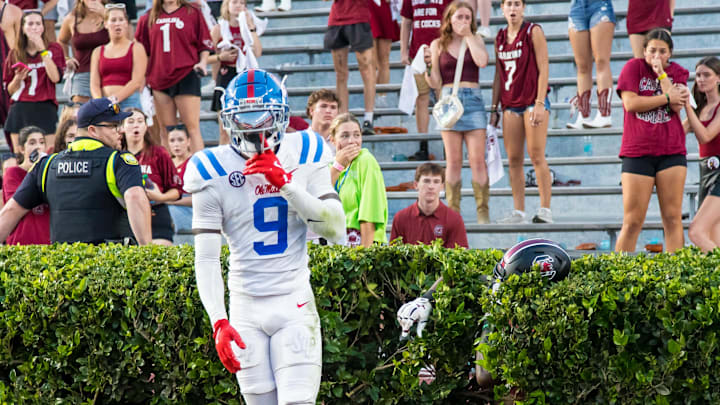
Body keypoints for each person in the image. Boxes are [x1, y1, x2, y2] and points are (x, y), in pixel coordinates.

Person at [187, 69, 345, 404]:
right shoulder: (211, 169)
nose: (254, 128)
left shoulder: (305, 149)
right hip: (244, 305)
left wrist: (286, 184)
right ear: (229, 121)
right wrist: (218, 320)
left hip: (293, 300)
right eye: (244, 119)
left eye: (262, 117)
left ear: (282, 117)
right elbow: (206, 256)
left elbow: (335, 229)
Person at [0, 97, 152, 245]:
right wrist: (147, 251)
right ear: (93, 130)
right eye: (113, 126)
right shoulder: (119, 161)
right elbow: (134, 196)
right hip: (108, 264)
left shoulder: (46, 165)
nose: (121, 131)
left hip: (62, 265)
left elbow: (11, 211)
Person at [614, 29, 688, 253]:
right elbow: (632, 104)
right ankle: (618, 276)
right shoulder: (633, 68)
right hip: (638, 151)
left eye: (662, 51)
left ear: (670, 53)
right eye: (652, 50)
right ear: (644, 50)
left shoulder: (678, 72)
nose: (657, 55)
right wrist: (665, 97)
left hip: (671, 150)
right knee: (633, 221)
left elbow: (677, 106)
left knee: (673, 218)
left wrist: (662, 75)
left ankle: (677, 275)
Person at [426, 1, 490, 223]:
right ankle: (453, 212)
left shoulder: (476, 39)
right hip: (448, 100)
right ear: (449, 20)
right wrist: (426, 67)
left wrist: (470, 36)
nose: (463, 21)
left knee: (477, 160)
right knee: (453, 161)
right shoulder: (438, 44)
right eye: (459, 17)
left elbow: (482, 61)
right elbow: (434, 81)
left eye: (467, 17)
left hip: (472, 99)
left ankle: (483, 211)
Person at [490, 0, 552, 224]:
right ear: (503, 8)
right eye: (509, 4)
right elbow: (498, 74)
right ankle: (519, 211)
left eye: (517, 4)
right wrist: (493, 107)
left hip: (531, 100)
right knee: (514, 158)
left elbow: (544, 66)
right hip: (509, 101)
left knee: (536, 154)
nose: (513, 8)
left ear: (524, 7)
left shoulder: (532, 31)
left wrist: (540, 101)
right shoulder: (499, 37)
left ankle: (545, 209)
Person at [135, 0, 212, 152]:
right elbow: (141, 50)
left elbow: (204, 43)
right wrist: (142, 76)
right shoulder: (148, 17)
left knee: (192, 128)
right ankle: (170, 172)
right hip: (159, 78)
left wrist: (203, 63)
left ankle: (199, 171)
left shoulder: (192, 12)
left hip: (186, 74)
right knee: (166, 130)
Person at [2, 10, 65, 153]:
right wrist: (18, 78)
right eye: (30, 24)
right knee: (20, 155)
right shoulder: (15, 53)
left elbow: (55, 78)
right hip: (20, 108)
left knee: (48, 154)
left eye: (38, 23)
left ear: (43, 27)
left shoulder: (54, 49)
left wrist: (42, 50)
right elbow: (10, 90)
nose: (34, 27)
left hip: (45, 106)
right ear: (23, 28)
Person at [121, 108, 180, 245]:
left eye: (140, 121)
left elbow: (176, 191)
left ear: (146, 126)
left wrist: (160, 197)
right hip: (126, 216)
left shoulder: (159, 153)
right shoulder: (116, 156)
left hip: (157, 214)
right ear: (122, 127)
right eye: (131, 121)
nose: (136, 125)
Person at [400, 0, 450, 160]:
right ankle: (423, 145)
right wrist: (403, 50)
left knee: (444, 97)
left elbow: (452, 20)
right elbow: (406, 21)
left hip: (442, 51)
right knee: (421, 99)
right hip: (418, 53)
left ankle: (448, 143)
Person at [328, 112, 387, 247]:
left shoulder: (366, 161)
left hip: (361, 242)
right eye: (344, 136)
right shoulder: (330, 166)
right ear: (333, 140)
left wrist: (364, 256)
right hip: (335, 242)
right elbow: (318, 199)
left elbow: (369, 212)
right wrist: (338, 166)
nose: (351, 141)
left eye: (356, 135)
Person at [209, 0, 261, 145]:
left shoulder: (246, 27)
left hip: (244, 76)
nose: (239, 5)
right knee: (225, 130)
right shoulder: (218, 28)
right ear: (227, 5)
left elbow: (258, 52)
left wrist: (251, 28)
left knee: (246, 128)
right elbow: (205, 57)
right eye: (235, 2)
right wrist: (221, 57)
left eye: (242, 3)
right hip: (226, 75)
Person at [323, 0, 376, 135]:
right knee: (340, 73)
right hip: (337, 18)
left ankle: (368, 118)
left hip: (359, 15)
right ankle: (343, 119)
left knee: (366, 68)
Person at [684, 57, 720, 252]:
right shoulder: (700, 108)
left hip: (719, 172)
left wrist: (687, 107)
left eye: (707, 75)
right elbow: (677, 133)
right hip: (706, 171)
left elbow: (705, 136)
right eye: (698, 75)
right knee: (713, 235)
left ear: (718, 79)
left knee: (696, 231)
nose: (701, 79)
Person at [390, 162, 468, 248]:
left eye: (436, 182)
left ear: (442, 186)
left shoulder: (454, 219)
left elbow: (458, 257)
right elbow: (393, 256)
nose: (431, 186)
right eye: (426, 181)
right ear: (416, 185)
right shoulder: (401, 218)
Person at [566, 0, 616, 129]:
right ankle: (583, 115)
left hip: (600, 5)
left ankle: (604, 114)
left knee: (601, 61)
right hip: (577, 6)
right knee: (582, 66)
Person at [89, 3, 147, 110]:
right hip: (105, 103)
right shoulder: (98, 51)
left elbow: (136, 81)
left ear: (126, 23)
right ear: (106, 24)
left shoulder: (136, 48)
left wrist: (114, 99)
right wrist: (100, 101)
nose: (117, 24)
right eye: (113, 20)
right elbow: (94, 83)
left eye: (121, 20)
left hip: (130, 102)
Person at [1, 125, 50, 245]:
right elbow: (21, 200)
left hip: (46, 240)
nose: (38, 146)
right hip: (23, 240)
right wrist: (35, 169)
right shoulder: (13, 173)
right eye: (32, 143)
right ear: (22, 149)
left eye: (41, 142)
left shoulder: (49, 172)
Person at [58, 0, 110, 104]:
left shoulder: (112, 14)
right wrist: (67, 58)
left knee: (108, 116)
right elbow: (61, 41)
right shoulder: (72, 19)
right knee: (80, 115)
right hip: (83, 74)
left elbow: (125, 39)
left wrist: (106, 15)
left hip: (109, 74)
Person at [368, 0, 398, 110]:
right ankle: (370, 98)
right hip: (367, 7)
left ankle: (382, 96)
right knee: (371, 62)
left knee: (384, 60)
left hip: (384, 8)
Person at [166, 124, 192, 232]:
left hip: (189, 208)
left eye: (180, 140)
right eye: (172, 140)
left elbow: (199, 199)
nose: (176, 144)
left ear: (188, 141)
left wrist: (171, 202)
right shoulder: (166, 163)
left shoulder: (195, 162)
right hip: (168, 204)